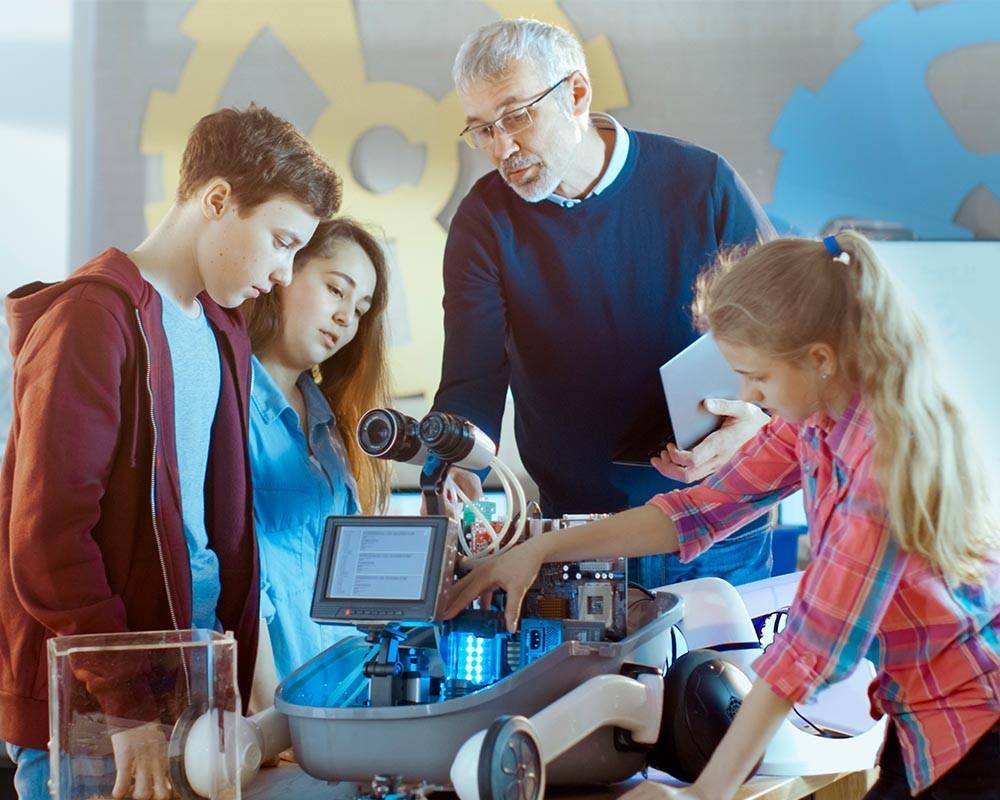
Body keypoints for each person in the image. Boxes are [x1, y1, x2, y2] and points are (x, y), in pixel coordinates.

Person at [444, 231, 1000, 799]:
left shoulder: (882, 460)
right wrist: (536, 550)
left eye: (758, 376)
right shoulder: (817, 420)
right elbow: (696, 511)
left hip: (974, 714)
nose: (747, 393)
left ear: (820, 360)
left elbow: (809, 652)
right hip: (921, 715)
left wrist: (704, 793)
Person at [0, 104, 340, 800]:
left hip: (190, 696)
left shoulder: (222, 332)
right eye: (279, 241)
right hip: (99, 716)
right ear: (217, 200)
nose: (281, 273)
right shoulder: (91, 320)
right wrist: (127, 709)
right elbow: (48, 541)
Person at [433, 18, 775, 590]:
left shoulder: (701, 184)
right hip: (574, 531)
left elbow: (790, 338)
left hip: (719, 523)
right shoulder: (484, 220)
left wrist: (760, 424)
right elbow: (471, 380)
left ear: (576, 94)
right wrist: (454, 464)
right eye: (483, 130)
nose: (502, 149)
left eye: (516, 117)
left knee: (718, 681)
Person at [242, 218, 391, 700]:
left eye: (361, 309)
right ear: (283, 272)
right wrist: (268, 724)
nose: (348, 317)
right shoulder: (228, 404)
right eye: (336, 290)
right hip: (275, 711)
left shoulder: (333, 429)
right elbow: (240, 583)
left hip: (346, 702)